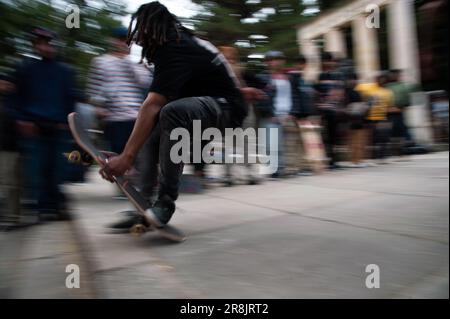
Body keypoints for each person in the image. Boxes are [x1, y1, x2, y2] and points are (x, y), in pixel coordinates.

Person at [99, 2, 255, 228]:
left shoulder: (174, 45)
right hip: (213, 106)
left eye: (140, 33)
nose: (139, 41)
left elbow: (152, 104)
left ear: (152, 27)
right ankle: (143, 205)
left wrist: (126, 157)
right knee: (151, 130)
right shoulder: (180, 41)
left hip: (227, 110)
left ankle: (165, 202)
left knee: (170, 112)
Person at [11, 28, 77, 220]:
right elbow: (17, 97)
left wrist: (68, 121)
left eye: (48, 43)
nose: (45, 47)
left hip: (58, 125)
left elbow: (70, 97)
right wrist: (21, 118)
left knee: (58, 168)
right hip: (34, 124)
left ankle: (56, 205)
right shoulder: (25, 68)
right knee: (37, 168)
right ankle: (41, 207)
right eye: (40, 43)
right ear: (35, 46)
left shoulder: (65, 71)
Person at [86, 27, 152, 196]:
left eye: (128, 40)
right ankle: (125, 188)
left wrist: (128, 61)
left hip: (136, 117)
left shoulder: (135, 64)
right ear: (113, 40)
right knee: (119, 154)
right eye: (122, 39)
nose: (125, 43)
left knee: (139, 155)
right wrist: (98, 107)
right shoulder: (100, 62)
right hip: (115, 117)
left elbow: (145, 82)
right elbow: (93, 91)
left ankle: (141, 187)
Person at [315, 52, 345, 169]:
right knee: (324, 136)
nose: (328, 63)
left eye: (330, 60)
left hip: (336, 110)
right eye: (326, 60)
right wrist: (319, 108)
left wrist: (340, 106)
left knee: (335, 135)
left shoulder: (338, 75)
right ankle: (326, 159)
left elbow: (341, 93)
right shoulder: (321, 76)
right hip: (323, 110)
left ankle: (334, 160)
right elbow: (317, 94)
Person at [356, 72, 394, 163]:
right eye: (379, 79)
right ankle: (371, 157)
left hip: (383, 117)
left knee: (384, 137)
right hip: (370, 118)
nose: (381, 81)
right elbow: (356, 90)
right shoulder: (367, 87)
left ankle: (382, 157)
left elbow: (389, 106)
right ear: (376, 79)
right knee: (372, 138)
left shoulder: (388, 92)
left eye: (383, 79)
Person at [345, 73, 369, 167]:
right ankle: (354, 160)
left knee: (360, 141)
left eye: (355, 79)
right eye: (352, 79)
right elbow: (347, 106)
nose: (354, 81)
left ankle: (359, 160)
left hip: (358, 119)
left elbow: (361, 105)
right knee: (352, 142)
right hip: (350, 119)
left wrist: (364, 107)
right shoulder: (346, 92)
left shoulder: (358, 92)